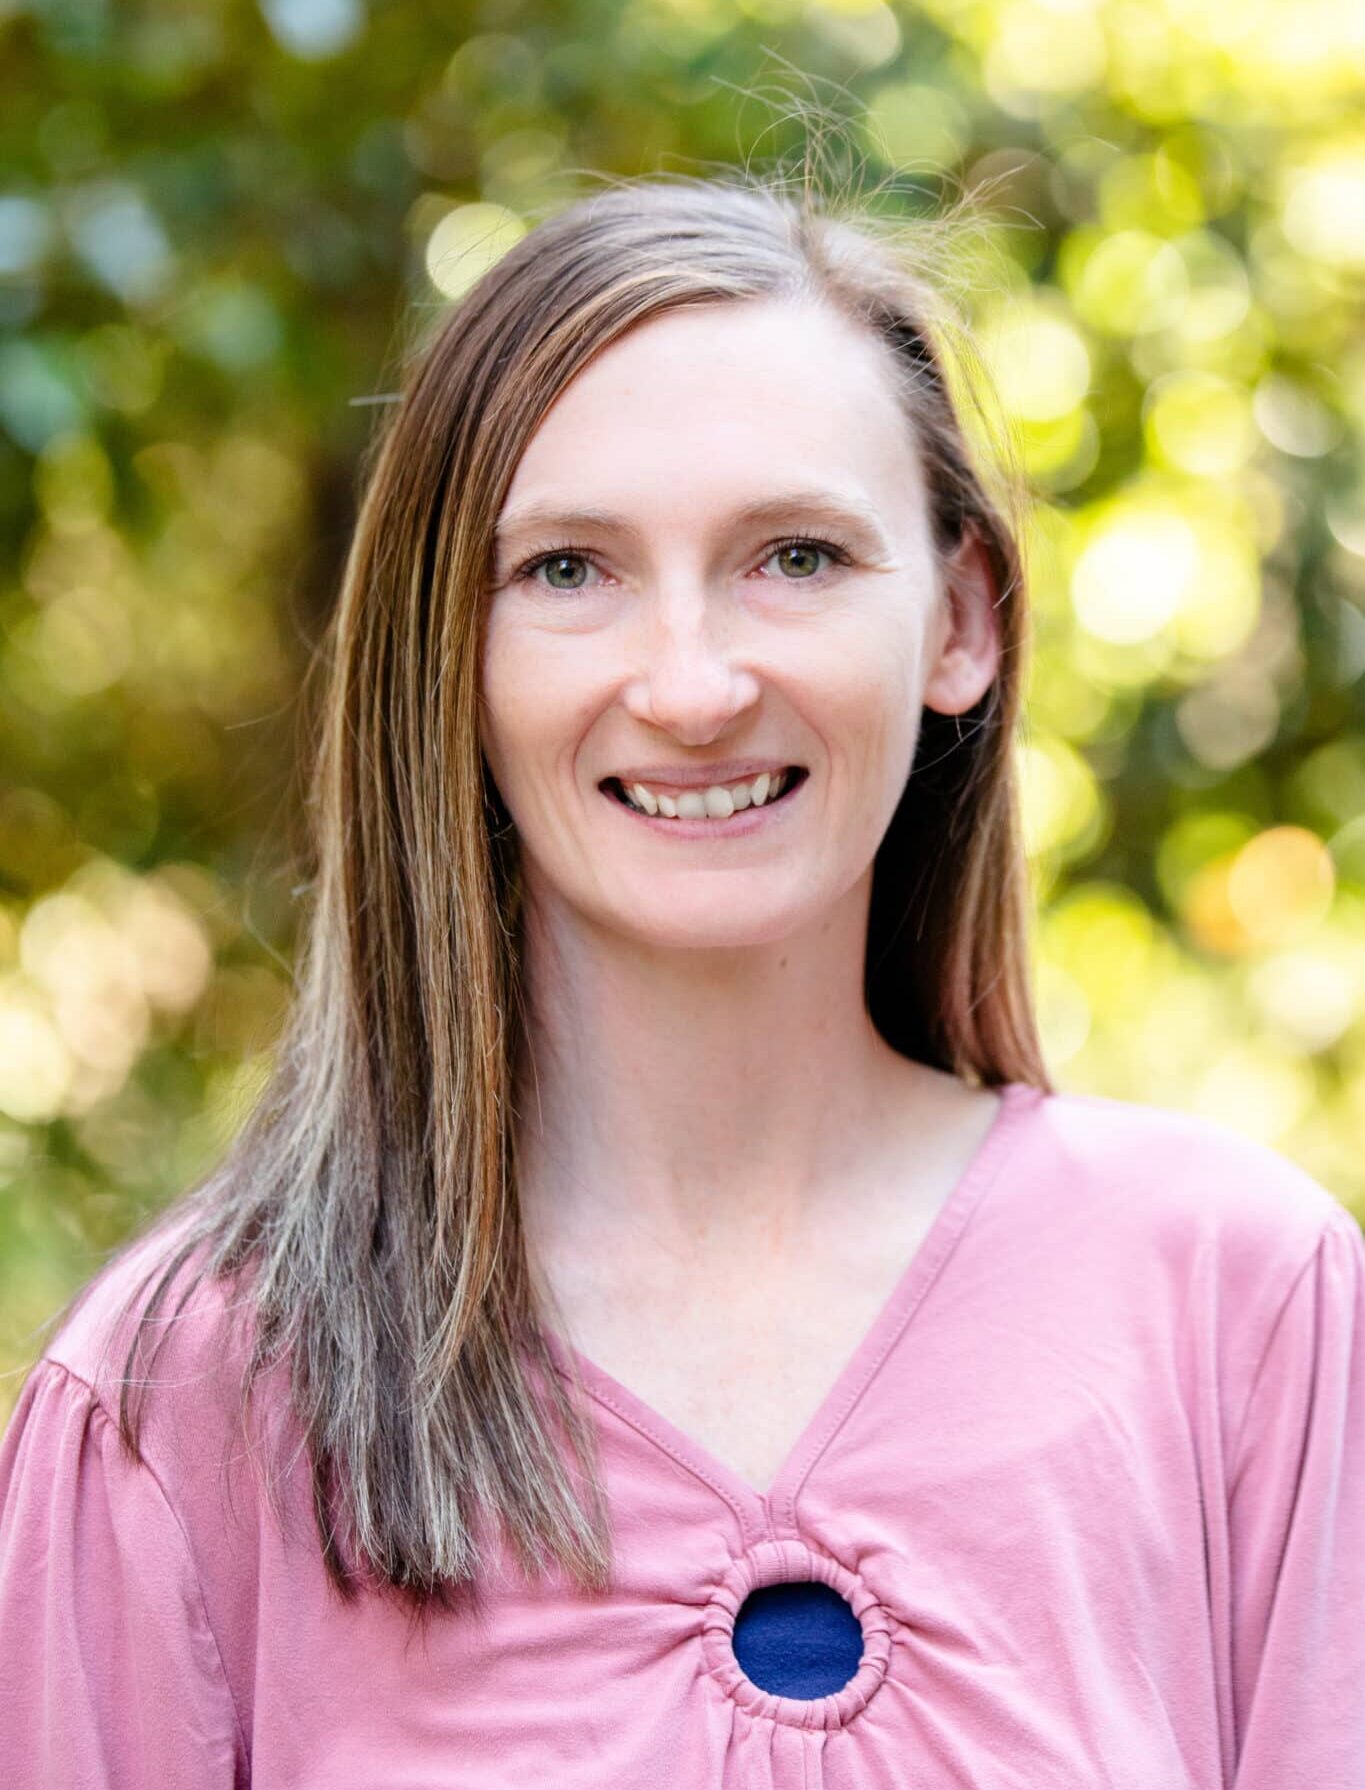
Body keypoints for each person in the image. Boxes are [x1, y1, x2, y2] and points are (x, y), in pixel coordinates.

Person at [1, 169, 1362, 1790]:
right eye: (569, 570)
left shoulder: (1237, 1302)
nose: (694, 684)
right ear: (453, 652)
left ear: (961, 621)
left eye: (793, 555)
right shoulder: (186, 1398)